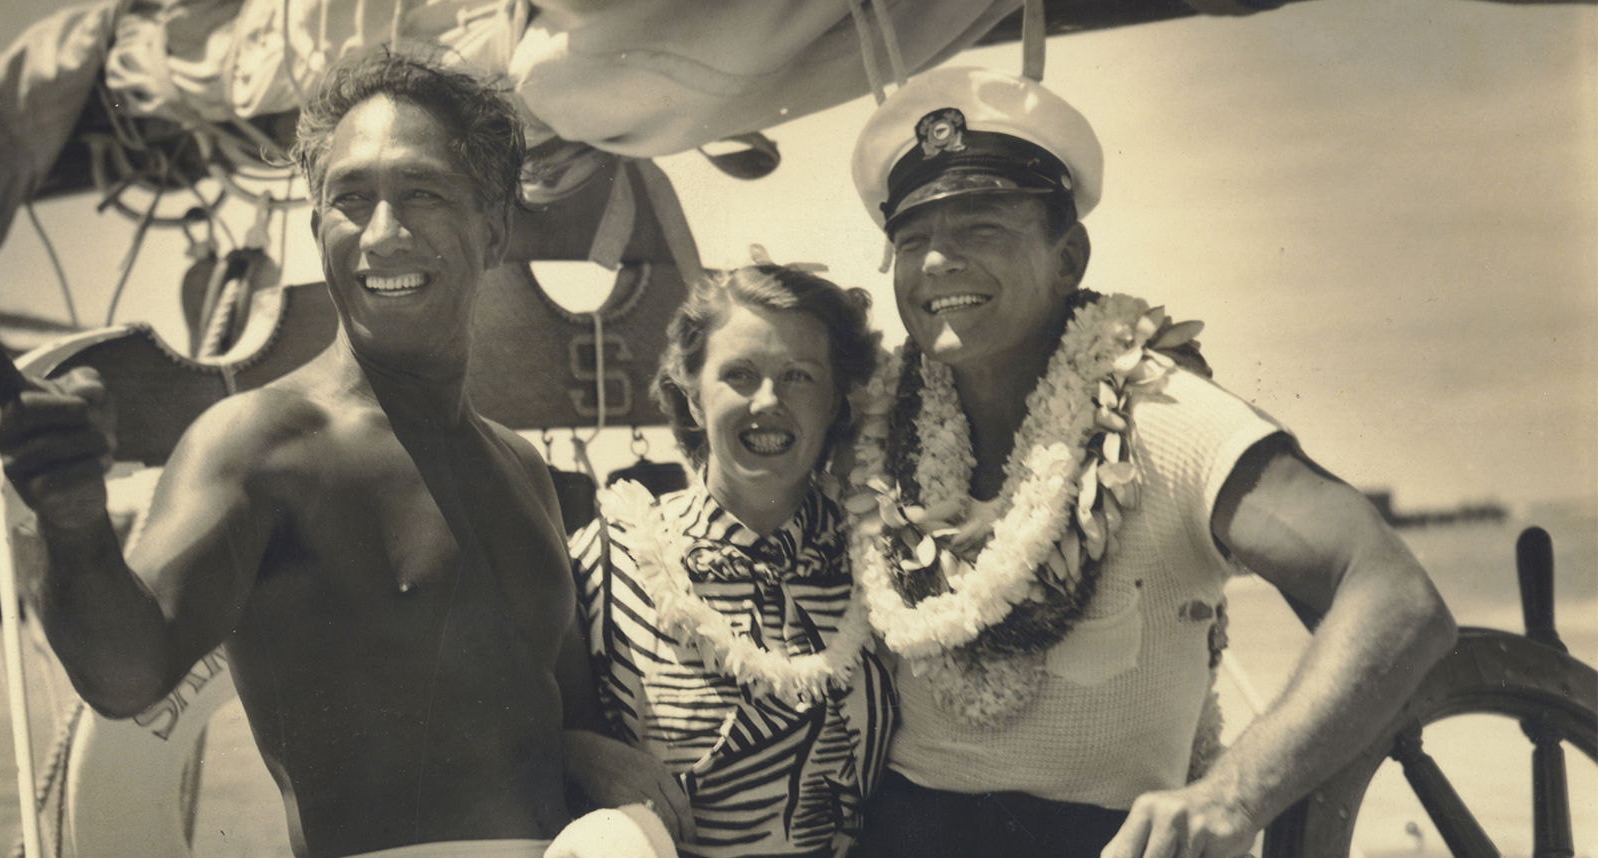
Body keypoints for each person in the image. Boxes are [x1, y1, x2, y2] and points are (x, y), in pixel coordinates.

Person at [0, 53, 677, 858]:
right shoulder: (261, 446)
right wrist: (74, 525)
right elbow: (124, 678)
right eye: (350, 198)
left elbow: (550, 707)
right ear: (318, 230)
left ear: (492, 228)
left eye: (420, 193)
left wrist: (582, 750)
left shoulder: (522, 471)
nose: (383, 233)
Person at [836, 67, 1458, 858]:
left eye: (981, 229)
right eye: (912, 239)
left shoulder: (1165, 417)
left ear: (1069, 258)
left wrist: (1233, 797)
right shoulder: (870, 431)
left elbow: (1395, 595)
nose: (934, 263)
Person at [567, 263, 897, 858]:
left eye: (798, 376)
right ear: (693, 397)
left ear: (834, 403)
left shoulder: (884, 559)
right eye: (739, 375)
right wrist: (576, 749)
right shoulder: (613, 558)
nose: (767, 401)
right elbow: (507, 727)